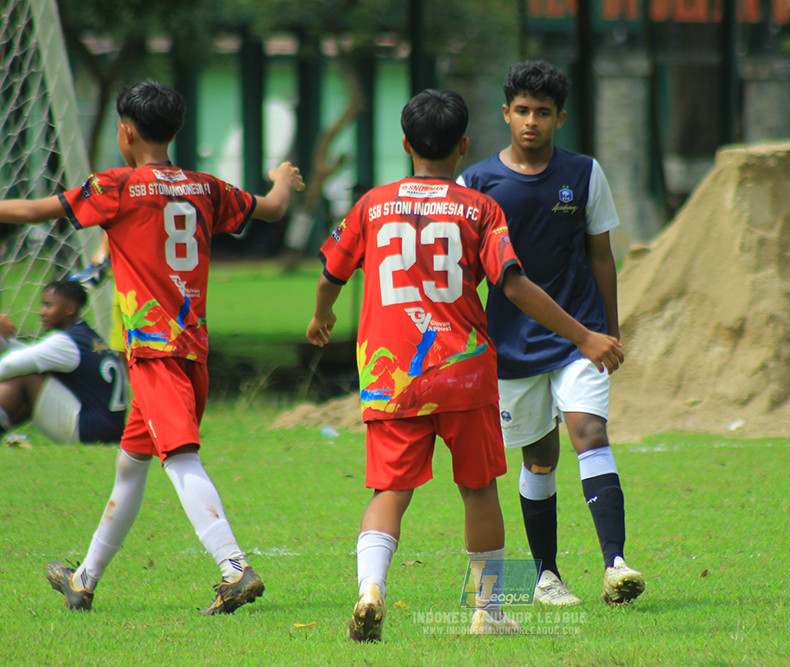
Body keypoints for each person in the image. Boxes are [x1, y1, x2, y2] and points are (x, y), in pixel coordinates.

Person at [306, 89, 622, 642]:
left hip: (392, 374)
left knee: (389, 492)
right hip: (465, 371)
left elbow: (333, 271)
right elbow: (515, 284)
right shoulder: (480, 208)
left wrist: (321, 318)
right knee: (478, 489)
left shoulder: (371, 205)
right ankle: (488, 609)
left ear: (405, 144)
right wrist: (584, 335)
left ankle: (370, 591)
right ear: (465, 147)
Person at [0, 79, 304, 614]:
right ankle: (84, 579)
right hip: (190, 352)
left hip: (154, 352)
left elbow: (31, 212)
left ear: (126, 130)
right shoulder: (205, 188)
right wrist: (281, 178)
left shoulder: (115, 186)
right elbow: (274, 209)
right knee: (130, 465)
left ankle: (235, 569)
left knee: (180, 458)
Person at [458, 61, 645, 606]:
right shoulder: (478, 183)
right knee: (539, 457)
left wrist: (606, 330)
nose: (531, 122)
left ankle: (615, 565)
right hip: (510, 346)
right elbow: (470, 274)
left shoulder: (584, 173)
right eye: (522, 111)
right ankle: (546, 576)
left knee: (589, 432)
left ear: (560, 117)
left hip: (579, 336)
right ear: (505, 113)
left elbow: (601, 256)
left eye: (543, 112)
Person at [0, 279, 126, 444]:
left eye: (48, 305)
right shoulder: (83, 336)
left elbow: (10, 364)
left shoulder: (65, 342)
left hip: (90, 431)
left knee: (27, 379)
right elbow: (24, 353)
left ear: (70, 309)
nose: (41, 312)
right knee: (32, 371)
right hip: (105, 429)